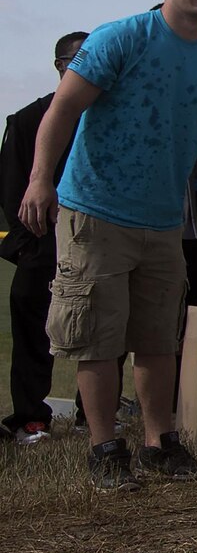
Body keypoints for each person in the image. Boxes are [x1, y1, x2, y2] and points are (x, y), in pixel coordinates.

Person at [15, 0, 197, 489]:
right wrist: (41, 180)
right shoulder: (121, 38)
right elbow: (62, 110)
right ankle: (105, 448)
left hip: (163, 222)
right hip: (95, 211)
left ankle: (161, 443)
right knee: (97, 337)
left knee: (159, 338)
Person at [1, 32, 86, 444]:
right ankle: (31, 418)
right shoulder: (27, 120)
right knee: (33, 327)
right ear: (60, 67)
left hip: (96, 243)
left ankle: (93, 414)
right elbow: (12, 187)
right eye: (79, 59)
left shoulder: (106, 118)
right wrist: (28, 246)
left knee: (100, 333)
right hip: (43, 244)